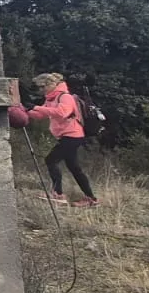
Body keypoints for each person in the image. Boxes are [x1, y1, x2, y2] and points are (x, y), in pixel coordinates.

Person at [21, 72, 100, 207]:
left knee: (51, 160)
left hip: (72, 135)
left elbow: (62, 113)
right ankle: (91, 199)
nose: (41, 90)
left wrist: (34, 107)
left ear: (51, 85)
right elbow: (41, 115)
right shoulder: (51, 98)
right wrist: (25, 110)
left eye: (42, 87)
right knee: (74, 168)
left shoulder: (65, 97)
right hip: (67, 136)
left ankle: (58, 194)